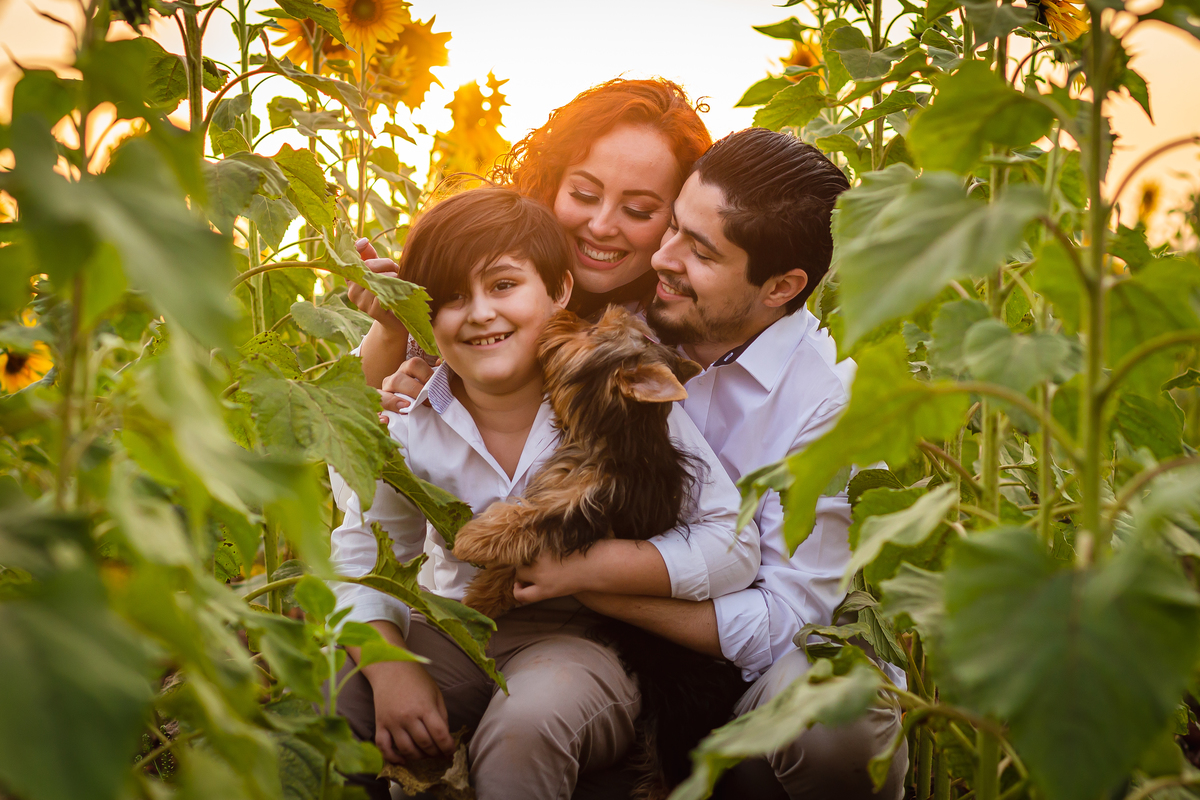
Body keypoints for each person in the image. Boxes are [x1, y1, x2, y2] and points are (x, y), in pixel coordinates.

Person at [383, 129, 910, 799]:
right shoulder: (627, 315)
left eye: (700, 250)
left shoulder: (828, 400)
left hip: (744, 679)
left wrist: (589, 578)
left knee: (839, 719)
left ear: (782, 286)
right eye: (673, 226)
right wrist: (407, 357)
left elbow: (789, 619)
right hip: (583, 658)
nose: (662, 256)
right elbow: (476, 358)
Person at [327, 187, 759, 800]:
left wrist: (584, 566)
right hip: (454, 626)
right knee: (335, 695)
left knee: (529, 726)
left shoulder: (614, 397)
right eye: (450, 298)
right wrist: (389, 667)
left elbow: (732, 544)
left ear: (559, 291)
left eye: (503, 285)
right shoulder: (408, 418)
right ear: (421, 315)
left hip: (584, 644)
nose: (480, 313)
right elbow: (362, 555)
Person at [349, 77, 712, 390]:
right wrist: (392, 329)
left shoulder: (682, 331)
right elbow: (354, 408)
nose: (601, 226)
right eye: (584, 194)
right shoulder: (481, 257)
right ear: (552, 180)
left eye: (638, 210)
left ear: (680, 218)